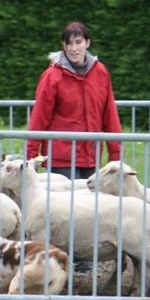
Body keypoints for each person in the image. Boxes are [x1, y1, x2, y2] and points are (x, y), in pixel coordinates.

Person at [26, 21, 122, 180]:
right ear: (63, 45)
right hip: (60, 157)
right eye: (69, 43)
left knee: (91, 202)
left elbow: (109, 115)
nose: (73, 48)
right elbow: (39, 118)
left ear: (87, 43)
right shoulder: (52, 76)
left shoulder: (101, 72)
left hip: (91, 155)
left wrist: (116, 157)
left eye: (78, 42)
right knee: (64, 203)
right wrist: (30, 158)